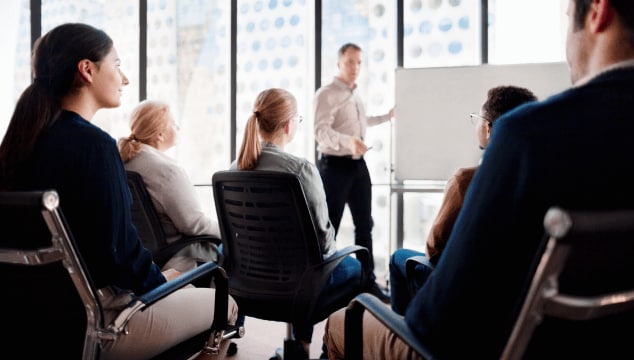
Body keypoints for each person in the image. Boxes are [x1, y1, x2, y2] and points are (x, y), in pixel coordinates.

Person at [324, 0, 634, 358]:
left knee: (342, 322)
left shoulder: (526, 136)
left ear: (598, 12)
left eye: (567, 18)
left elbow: (435, 322)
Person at [0, 23, 237, 359]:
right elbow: (120, 255)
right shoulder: (94, 145)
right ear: (87, 70)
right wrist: (164, 282)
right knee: (224, 304)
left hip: (32, 319)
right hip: (101, 319)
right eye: (118, 64)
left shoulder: (19, 146)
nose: (124, 79)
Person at [232, 87, 365, 359]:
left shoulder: (233, 169)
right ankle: (321, 350)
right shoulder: (300, 169)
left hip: (248, 285)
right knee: (353, 267)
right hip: (297, 287)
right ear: (289, 125)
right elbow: (323, 237)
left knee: (308, 266)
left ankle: (299, 345)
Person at [388, 85, 538, 315]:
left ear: (489, 128)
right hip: (512, 301)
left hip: (463, 297)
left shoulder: (466, 180)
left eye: (478, 118)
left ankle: (406, 339)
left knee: (399, 258)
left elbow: (434, 248)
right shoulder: (540, 182)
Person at [313, 42, 395, 301]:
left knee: (364, 225)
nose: (355, 67)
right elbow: (320, 130)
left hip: (358, 166)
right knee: (330, 229)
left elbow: (360, 122)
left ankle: (366, 282)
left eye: (359, 62)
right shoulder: (326, 93)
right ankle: (321, 287)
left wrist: (386, 117)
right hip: (334, 166)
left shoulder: (355, 94)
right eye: (350, 61)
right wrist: (348, 141)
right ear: (339, 63)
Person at [118, 99, 220, 272]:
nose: (178, 128)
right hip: (181, 259)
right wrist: (232, 231)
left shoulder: (126, 163)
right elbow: (194, 225)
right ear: (159, 134)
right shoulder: (166, 170)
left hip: (147, 258)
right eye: (173, 124)